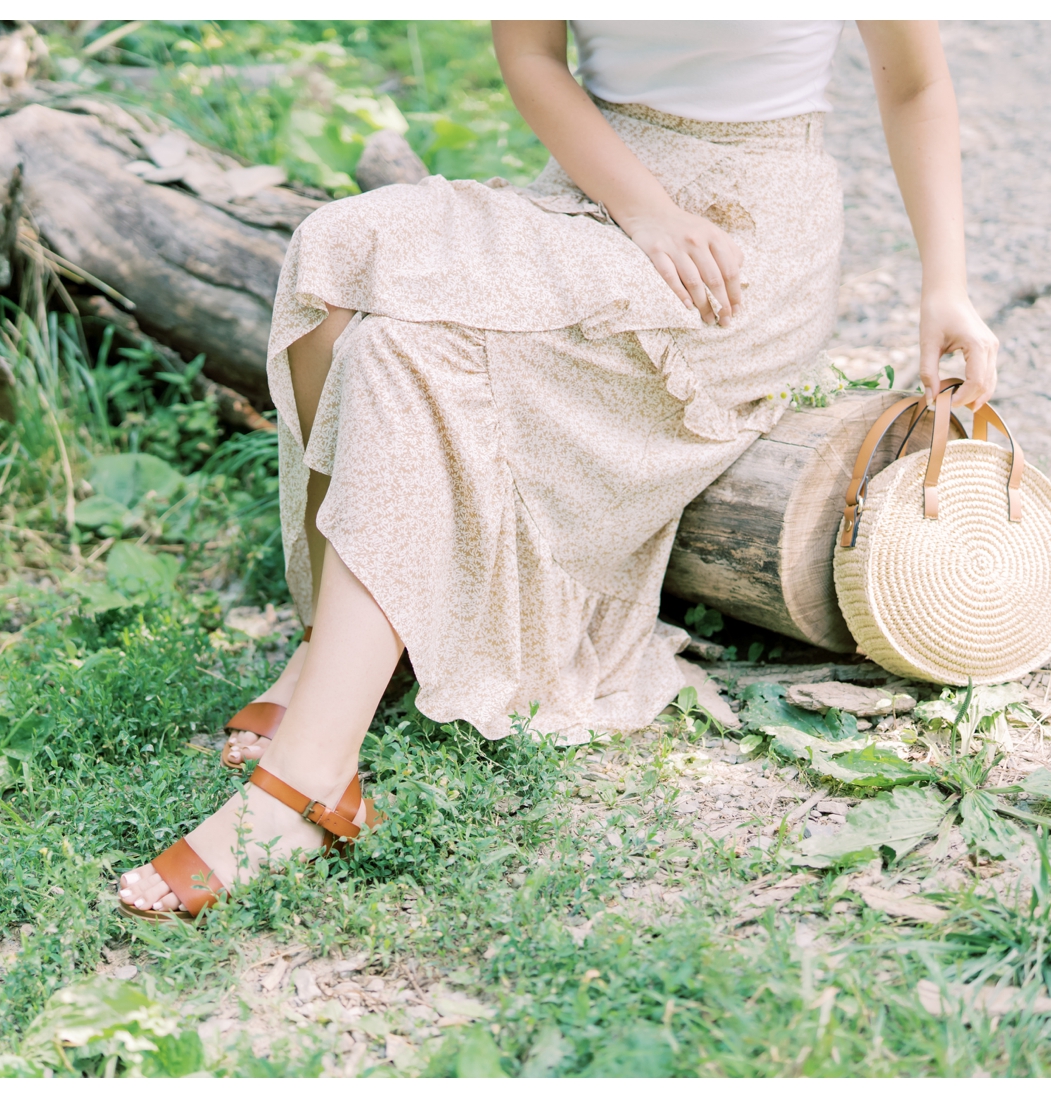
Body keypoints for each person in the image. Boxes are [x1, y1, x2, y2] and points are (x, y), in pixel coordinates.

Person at [119, 20, 998, 918]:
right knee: (331, 260)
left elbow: (917, 87)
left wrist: (946, 288)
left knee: (404, 353)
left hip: (742, 238)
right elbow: (531, 55)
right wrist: (644, 208)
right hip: (595, 187)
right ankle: (335, 650)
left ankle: (308, 779)